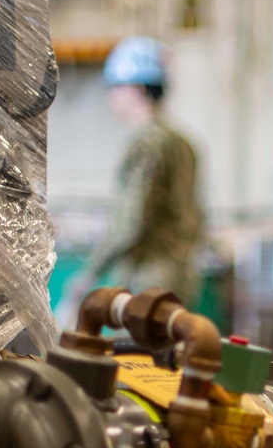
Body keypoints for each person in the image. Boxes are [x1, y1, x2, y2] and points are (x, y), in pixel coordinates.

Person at [70, 37, 203, 311]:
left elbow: (130, 224)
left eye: (116, 88)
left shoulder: (145, 145)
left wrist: (88, 275)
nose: (111, 98)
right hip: (183, 278)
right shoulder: (185, 143)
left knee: (136, 354)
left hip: (148, 281)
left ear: (138, 89)